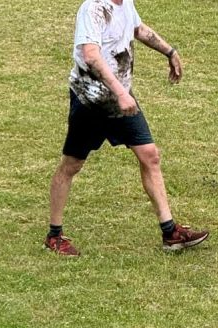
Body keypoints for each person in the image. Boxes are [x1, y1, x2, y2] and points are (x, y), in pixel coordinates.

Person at [45, 0, 208, 256]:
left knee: (150, 155)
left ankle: (170, 233)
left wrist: (170, 51)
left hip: (121, 100)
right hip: (91, 100)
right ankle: (54, 236)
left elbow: (137, 28)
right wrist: (121, 93)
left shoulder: (124, 3)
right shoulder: (93, 8)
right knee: (71, 165)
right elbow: (90, 55)